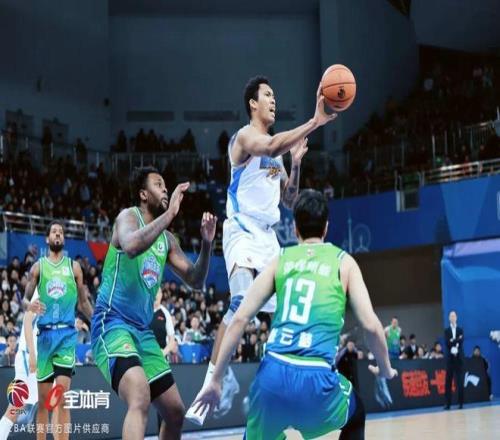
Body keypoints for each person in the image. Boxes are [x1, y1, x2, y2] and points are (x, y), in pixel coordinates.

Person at [187, 75, 338, 424]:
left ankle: (289, 385)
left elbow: (289, 200)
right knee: (240, 303)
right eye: (267, 95)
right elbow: (269, 148)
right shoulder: (244, 138)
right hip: (241, 228)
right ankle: (216, 380)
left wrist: (296, 165)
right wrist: (314, 122)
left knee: (286, 313)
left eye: (274, 95)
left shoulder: (278, 153)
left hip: (268, 238)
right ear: (253, 103)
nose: (273, 99)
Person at [193, 190, 397, 439]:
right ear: (326, 227)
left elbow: (239, 319)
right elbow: (371, 326)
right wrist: (385, 369)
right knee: (356, 414)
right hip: (317, 381)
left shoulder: (281, 259)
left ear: (295, 229)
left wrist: (215, 380)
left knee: (260, 422)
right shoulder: (344, 262)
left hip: (272, 378)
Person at [90, 166, 216, 440]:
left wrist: (207, 244)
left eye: (166, 185)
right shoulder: (128, 217)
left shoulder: (167, 240)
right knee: (139, 394)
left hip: (142, 332)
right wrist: (170, 214)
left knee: (175, 412)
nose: (165, 189)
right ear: (143, 194)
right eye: (159, 184)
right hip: (112, 323)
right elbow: (131, 246)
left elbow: (195, 279)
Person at [22, 221, 94, 440]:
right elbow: (24, 299)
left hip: (65, 336)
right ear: (47, 239)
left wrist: (98, 321)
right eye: (54, 231)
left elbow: (83, 303)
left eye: (61, 232)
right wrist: (29, 305)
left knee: (62, 398)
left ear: (64, 239)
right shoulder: (38, 267)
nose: (58, 234)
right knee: (44, 402)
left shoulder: (74, 267)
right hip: (45, 337)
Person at [0, 290, 40, 439]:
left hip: (41, 360)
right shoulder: (43, 288)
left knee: (23, 406)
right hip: (28, 357)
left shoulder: (62, 297)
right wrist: (32, 354)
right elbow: (28, 318)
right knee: (15, 407)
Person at [444, 310, 464, 410]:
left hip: (459, 358)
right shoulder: (446, 331)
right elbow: (448, 343)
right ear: (449, 318)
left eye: (454, 316)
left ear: (456, 318)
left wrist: (454, 341)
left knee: (460, 381)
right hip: (450, 359)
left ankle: (460, 403)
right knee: (448, 381)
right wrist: (456, 341)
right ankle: (447, 404)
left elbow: (461, 341)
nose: (452, 318)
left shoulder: (460, 330)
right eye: (451, 316)